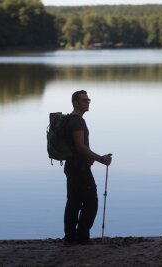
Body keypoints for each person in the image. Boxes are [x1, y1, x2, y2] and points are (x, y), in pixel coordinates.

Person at [63, 90, 112, 245]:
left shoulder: (71, 119)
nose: (88, 102)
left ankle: (70, 238)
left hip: (73, 166)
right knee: (91, 201)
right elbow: (79, 146)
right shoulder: (77, 121)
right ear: (76, 103)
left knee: (74, 201)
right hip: (79, 169)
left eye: (88, 100)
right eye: (84, 100)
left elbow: (76, 147)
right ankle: (82, 236)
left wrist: (89, 157)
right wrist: (101, 159)